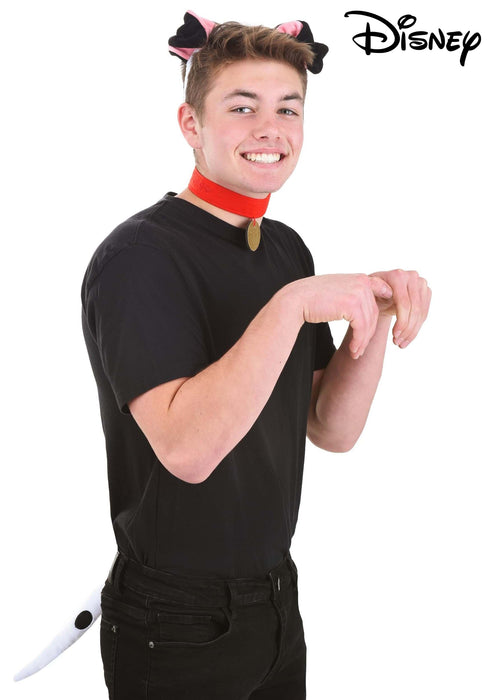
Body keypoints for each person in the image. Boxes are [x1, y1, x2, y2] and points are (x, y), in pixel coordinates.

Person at [81, 12, 431, 699]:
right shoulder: (139, 257)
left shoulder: (284, 249)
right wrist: (292, 305)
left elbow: (330, 429)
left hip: (275, 598)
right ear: (190, 123)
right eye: (242, 108)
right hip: (173, 619)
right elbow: (186, 449)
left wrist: (376, 316)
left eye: (287, 109)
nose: (270, 129)